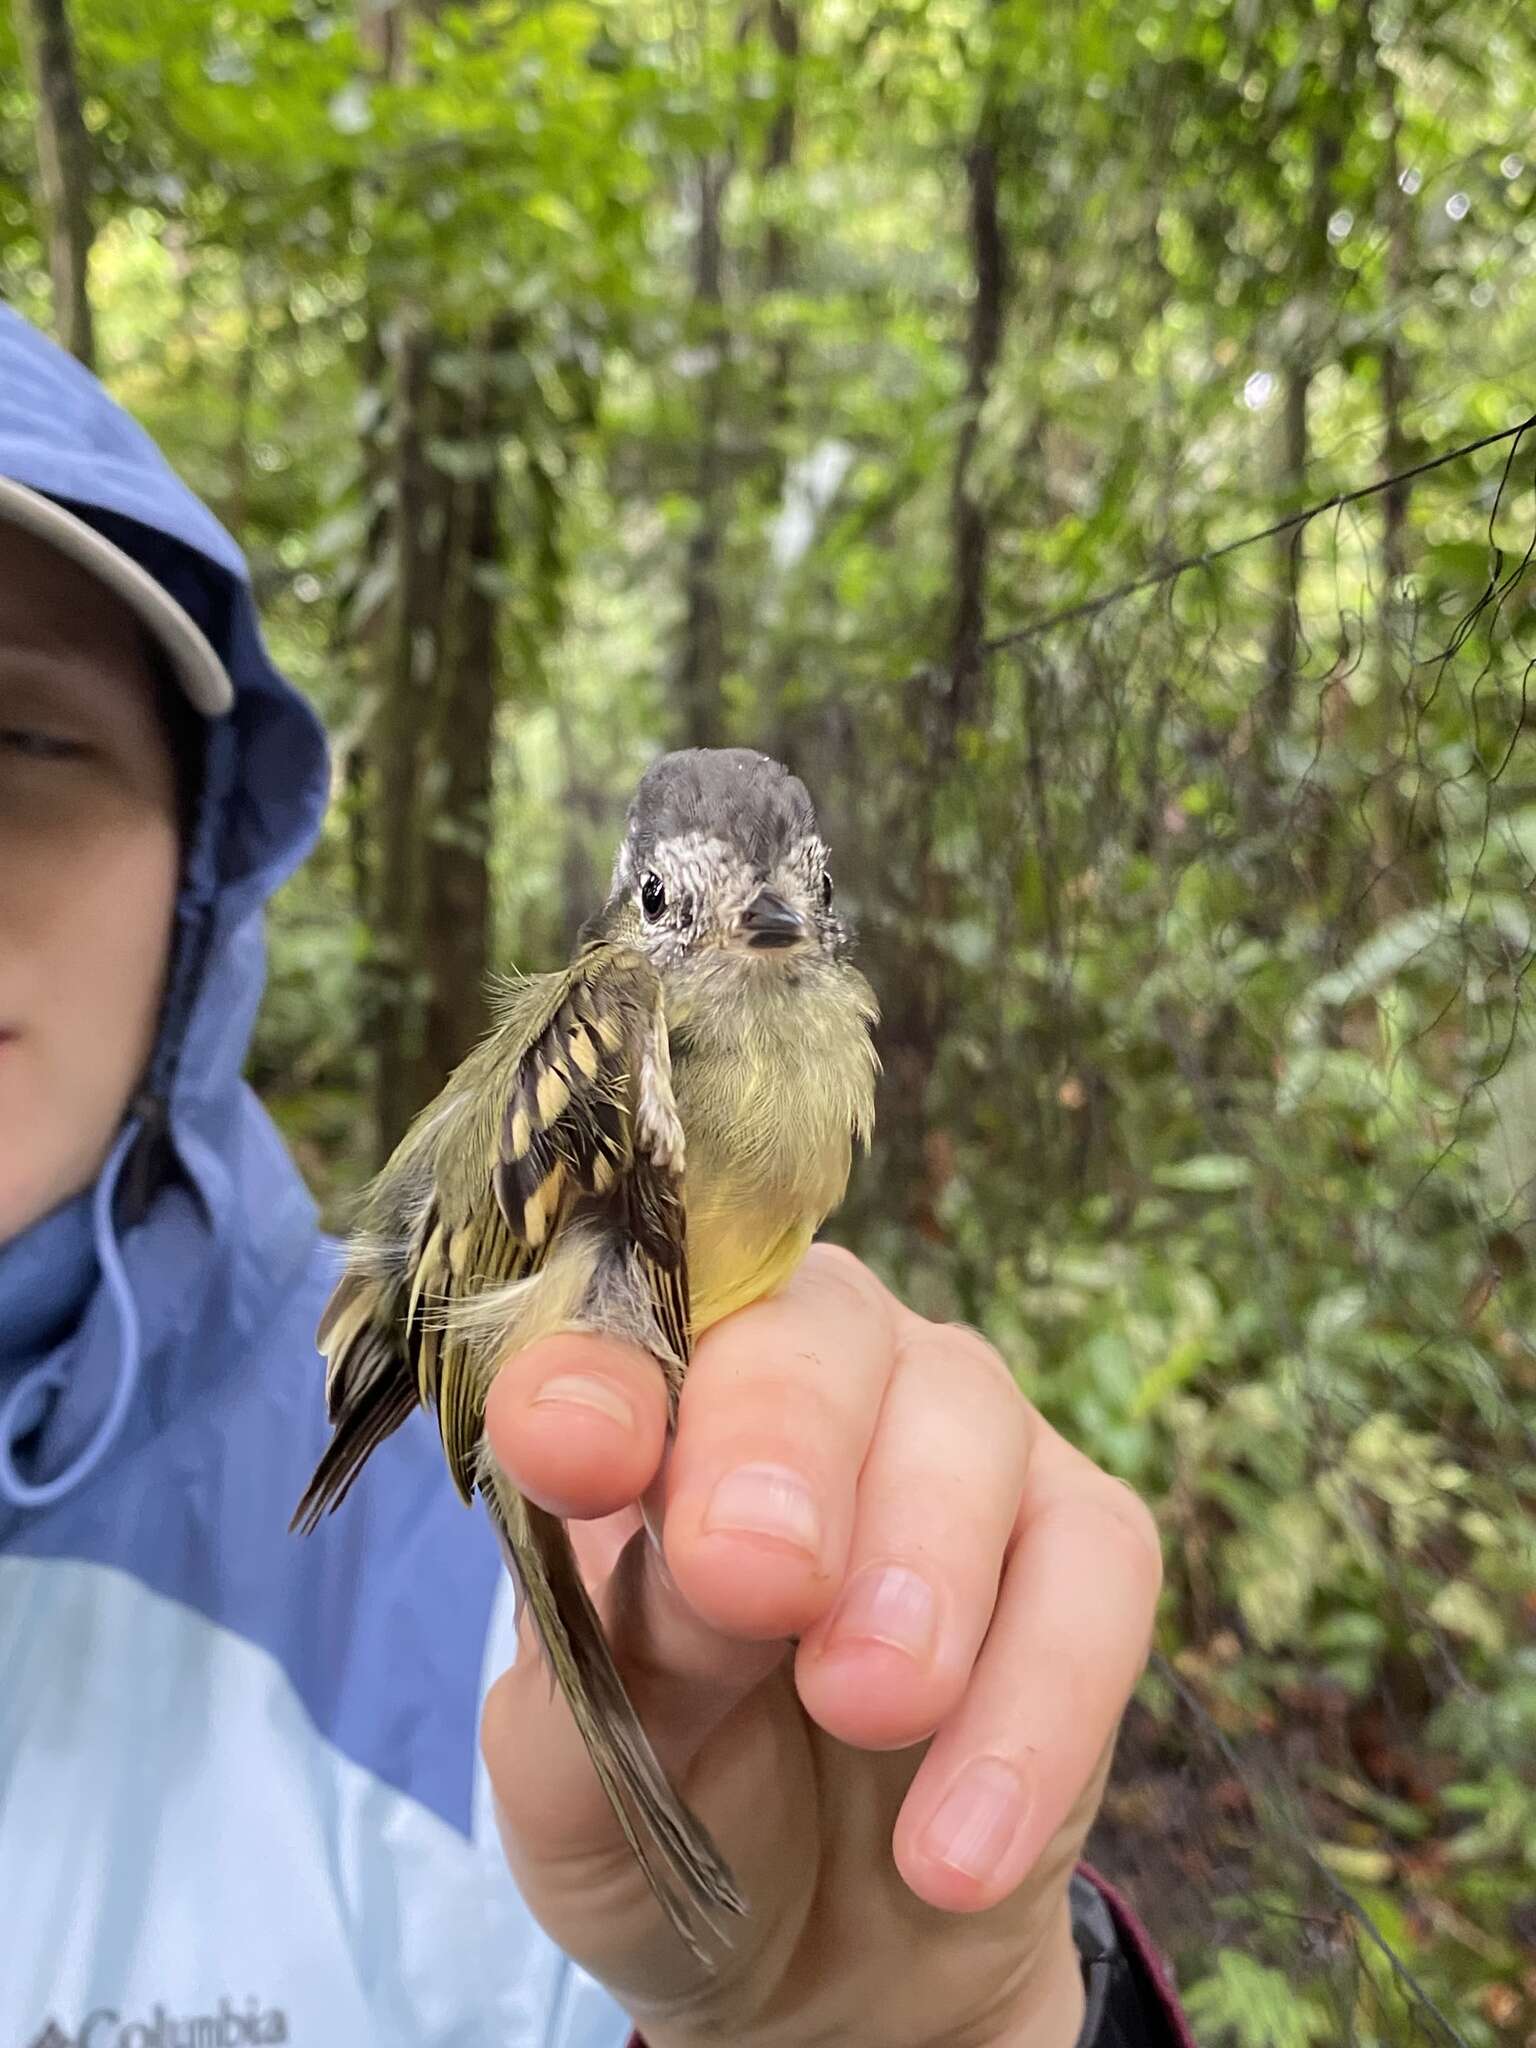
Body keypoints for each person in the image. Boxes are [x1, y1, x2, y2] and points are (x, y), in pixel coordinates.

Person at [0, 302, 1193, 2047]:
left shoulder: (441, 1636)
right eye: (675, 907)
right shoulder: (613, 1046)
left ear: (204, 854)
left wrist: (960, 2013)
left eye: (21, 744)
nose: (742, 936)